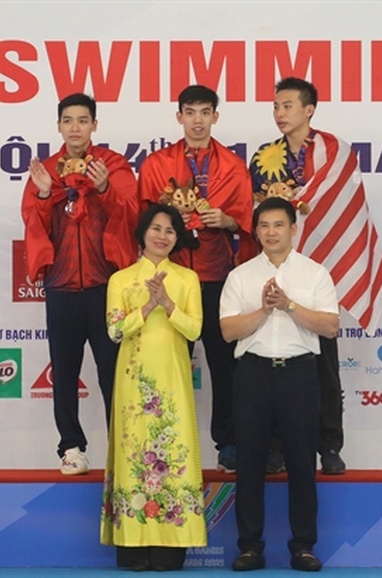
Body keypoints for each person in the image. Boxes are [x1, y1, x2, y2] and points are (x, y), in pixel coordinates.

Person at [249, 77, 382, 476]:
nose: (280, 114)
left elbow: (340, 204)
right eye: (276, 106)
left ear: (309, 109)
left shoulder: (335, 152)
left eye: (288, 106)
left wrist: (301, 201)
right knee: (273, 358)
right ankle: (275, 446)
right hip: (278, 264)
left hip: (320, 270)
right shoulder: (263, 156)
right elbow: (259, 210)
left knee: (325, 363)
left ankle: (329, 444)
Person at [137, 84, 255, 473]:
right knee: (168, 362)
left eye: (206, 112)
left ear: (216, 117)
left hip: (216, 276)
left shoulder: (233, 166)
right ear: (179, 117)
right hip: (172, 277)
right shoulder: (156, 165)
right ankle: (165, 443)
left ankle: (229, 443)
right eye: (191, 112)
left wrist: (227, 220)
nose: (198, 120)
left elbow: (245, 220)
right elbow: (144, 219)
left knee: (224, 366)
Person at [21, 93, 139, 475]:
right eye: (68, 120)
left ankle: (121, 448)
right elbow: (33, 221)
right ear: (58, 126)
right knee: (65, 374)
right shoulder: (47, 171)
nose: (75, 127)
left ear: (94, 125)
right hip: (61, 287)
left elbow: (132, 214)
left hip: (107, 288)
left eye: (83, 120)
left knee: (113, 375)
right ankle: (71, 447)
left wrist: (104, 190)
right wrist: (42, 193)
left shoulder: (113, 165)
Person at [220, 197, 339, 572]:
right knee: (250, 463)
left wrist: (288, 305)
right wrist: (264, 309)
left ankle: (303, 546)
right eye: (264, 226)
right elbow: (228, 331)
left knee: (302, 463)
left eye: (279, 225)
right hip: (253, 374)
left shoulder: (315, 273)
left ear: (293, 229)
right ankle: (250, 548)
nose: (271, 232)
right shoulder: (240, 276)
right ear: (255, 232)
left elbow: (330, 326)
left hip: (300, 374)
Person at [100, 204, 206, 572]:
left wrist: (168, 304)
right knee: (135, 454)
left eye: (171, 231)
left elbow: (195, 330)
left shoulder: (187, 278)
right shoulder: (122, 279)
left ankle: (171, 544)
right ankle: (132, 544)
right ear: (143, 233)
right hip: (133, 383)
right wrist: (146, 308)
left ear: (177, 239)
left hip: (173, 378)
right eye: (156, 228)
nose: (162, 236)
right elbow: (114, 331)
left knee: (171, 453)